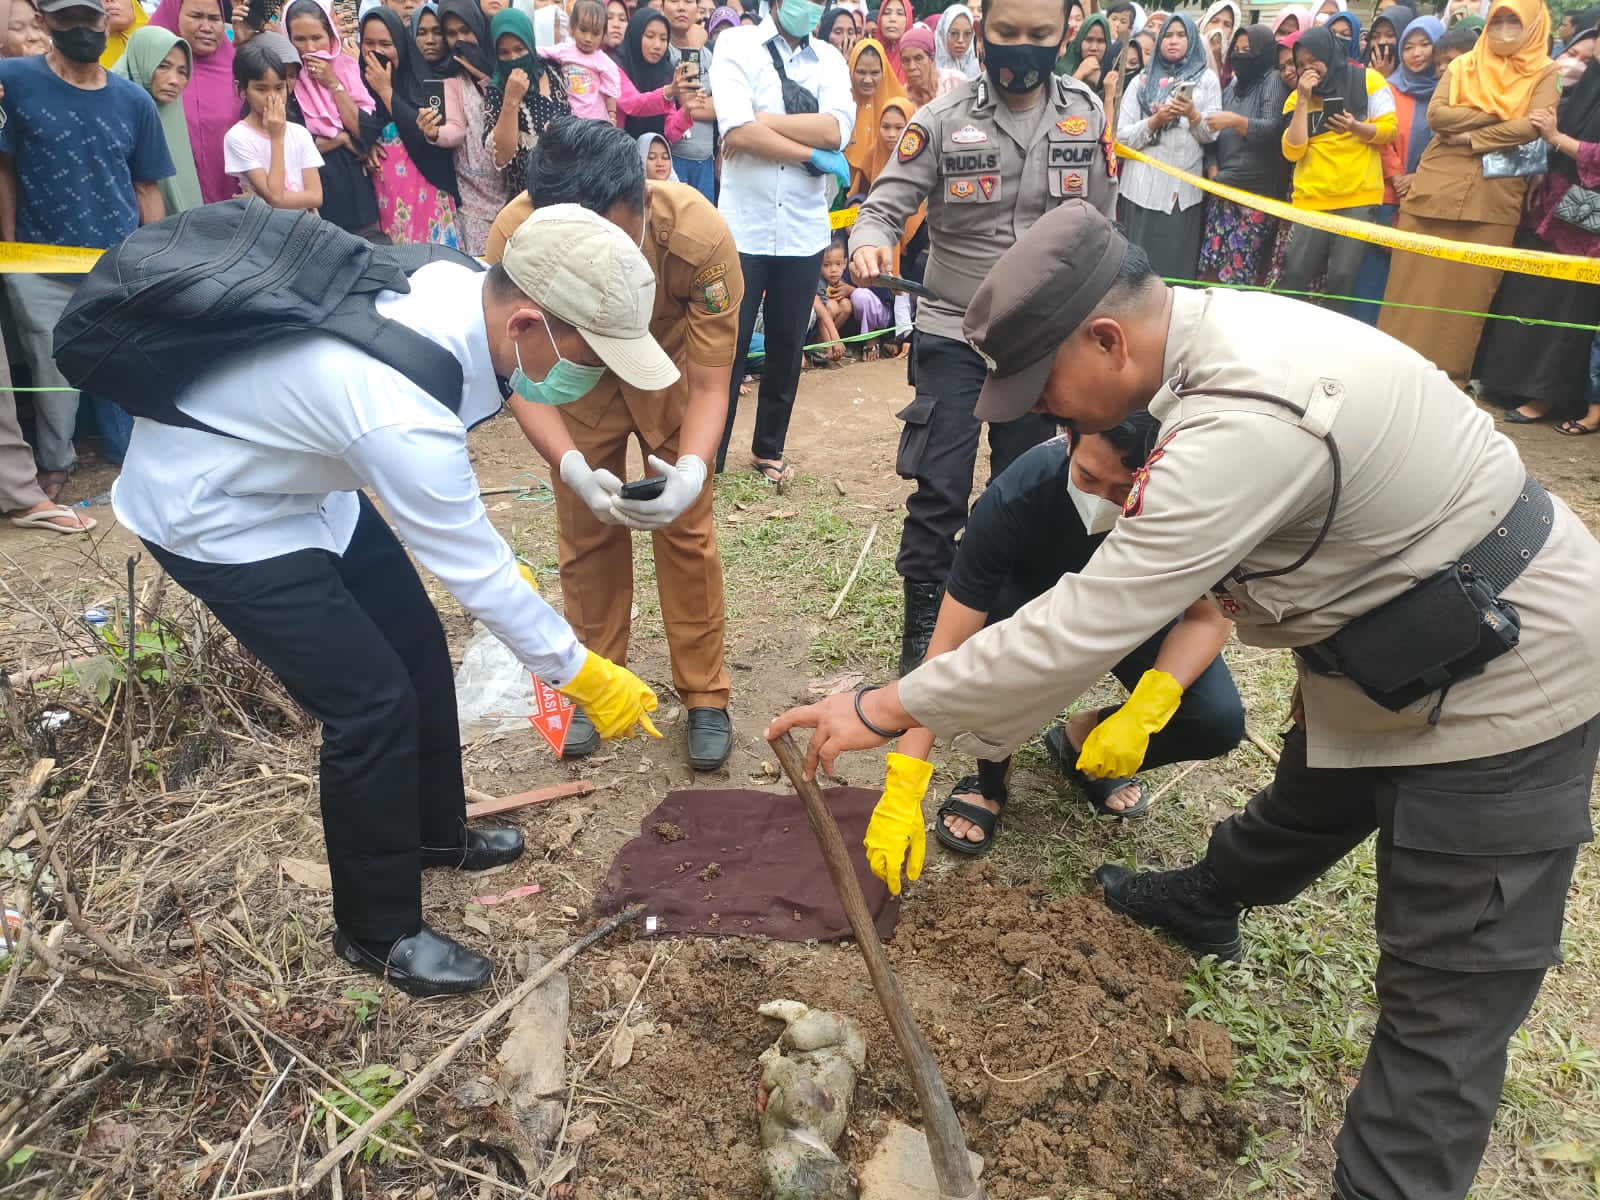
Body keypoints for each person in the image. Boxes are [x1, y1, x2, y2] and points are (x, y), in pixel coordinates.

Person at [768, 197, 1600, 1200]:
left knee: (1441, 1017)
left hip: (1503, 678)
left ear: (1108, 339)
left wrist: (879, 709)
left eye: (1052, 393)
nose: (1056, 420)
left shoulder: (1240, 418)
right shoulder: (1201, 343)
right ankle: (1208, 900)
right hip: (1385, 644)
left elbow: (1088, 621)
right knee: (1311, 800)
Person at [112, 205, 668, 997]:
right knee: (369, 705)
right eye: (593, 353)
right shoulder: (399, 409)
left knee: (413, 644)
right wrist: (584, 672)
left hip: (307, 478)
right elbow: (475, 571)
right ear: (529, 322)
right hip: (217, 510)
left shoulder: (452, 284)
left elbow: (491, 423)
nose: (599, 375)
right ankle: (377, 931)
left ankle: (431, 835)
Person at [848, 0, 1117, 674]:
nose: (1021, 48)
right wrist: (872, 244)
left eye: (1038, 36)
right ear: (980, 35)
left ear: (1063, 38)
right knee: (940, 485)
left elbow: (1104, 227)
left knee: (1022, 487)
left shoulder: (1086, 115)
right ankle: (922, 628)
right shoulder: (940, 120)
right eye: (1005, 34)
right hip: (952, 327)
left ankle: (1003, 622)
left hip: (1043, 340)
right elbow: (882, 208)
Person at [484, 118, 742, 771]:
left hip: (665, 372)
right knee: (587, 527)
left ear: (646, 201)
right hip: (578, 380)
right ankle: (593, 683)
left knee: (684, 526)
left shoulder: (699, 237)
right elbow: (510, 369)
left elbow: (712, 382)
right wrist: (569, 465)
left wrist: (689, 469)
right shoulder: (514, 240)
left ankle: (706, 694)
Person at [889, 420, 1243, 858]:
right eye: (1089, 477)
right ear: (1068, 438)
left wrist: (1145, 711)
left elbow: (1207, 619)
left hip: (1131, 610)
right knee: (984, 664)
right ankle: (991, 784)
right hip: (1028, 608)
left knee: (1216, 721)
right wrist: (903, 784)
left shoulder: (1190, 500)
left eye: (1125, 487)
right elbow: (945, 652)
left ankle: (1081, 739)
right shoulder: (1015, 496)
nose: (1101, 499)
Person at [0, 0, 172, 492]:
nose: (80, 30)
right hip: (35, 262)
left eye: (89, 19)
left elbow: (146, 188)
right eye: (66, 20)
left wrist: (150, 262)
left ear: (106, 21)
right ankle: (56, 464)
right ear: (44, 24)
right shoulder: (13, 82)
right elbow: (5, 168)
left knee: (127, 361)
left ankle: (147, 457)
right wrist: (11, 251)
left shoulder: (133, 101)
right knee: (50, 374)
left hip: (115, 264)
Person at [710, 0, 853, 486]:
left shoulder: (830, 60)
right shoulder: (736, 44)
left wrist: (761, 119)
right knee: (727, 346)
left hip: (802, 227)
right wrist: (812, 151)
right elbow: (736, 131)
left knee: (788, 345)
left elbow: (837, 129)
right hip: (742, 228)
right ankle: (710, 455)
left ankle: (767, 449)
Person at [1378, 0, 1555, 387]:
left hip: (1491, 202)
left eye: (1515, 20)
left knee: (1462, 307)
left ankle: (1446, 390)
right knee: (1407, 294)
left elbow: (1533, 128)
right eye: (1500, 20)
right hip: (1431, 192)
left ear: (1536, 25)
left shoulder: (1546, 71)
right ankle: (1388, 379)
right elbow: (1438, 116)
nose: (1505, 28)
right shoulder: (1462, 65)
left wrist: (1472, 136)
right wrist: (1502, 114)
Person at [1478, 31, 1600, 433]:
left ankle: (1546, 394)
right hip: (1548, 210)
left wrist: (1557, 138)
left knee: (1563, 312)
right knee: (1528, 297)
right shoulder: (1582, 89)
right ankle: (1511, 383)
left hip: (1587, 226)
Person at [1277, 25, 1395, 316]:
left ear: (1329, 53)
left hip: (1358, 197)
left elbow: (1389, 130)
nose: (1308, 68)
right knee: (1293, 274)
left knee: (1342, 279)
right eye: (1300, 64)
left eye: (1313, 59)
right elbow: (1292, 150)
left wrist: (1356, 127)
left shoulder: (1369, 80)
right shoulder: (1295, 99)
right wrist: (1304, 99)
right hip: (1312, 201)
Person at [1348, 12, 1441, 323]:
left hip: (1428, 200)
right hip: (1386, 196)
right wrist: (1398, 175)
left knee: (1411, 288)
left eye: (1425, 45)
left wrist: (1420, 178)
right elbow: (1378, 136)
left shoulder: (1449, 95)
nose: (1416, 53)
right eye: (1408, 46)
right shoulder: (1387, 88)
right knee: (1370, 282)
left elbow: (1449, 145)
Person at [1117, 13, 1219, 282]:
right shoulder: (1142, 80)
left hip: (1182, 195)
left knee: (1174, 274)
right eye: (1168, 35)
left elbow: (1212, 134)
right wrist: (1155, 120)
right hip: (1141, 190)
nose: (1173, 41)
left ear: (1193, 39)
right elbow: (1120, 139)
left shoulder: (1206, 80)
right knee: (1136, 274)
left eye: (1181, 35)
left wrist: (1193, 114)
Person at [361, 7, 464, 244]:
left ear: (401, 44)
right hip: (385, 205)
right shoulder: (357, 86)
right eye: (369, 43)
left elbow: (429, 141)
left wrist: (385, 91)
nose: (377, 51)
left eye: (386, 43)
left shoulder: (427, 83)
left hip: (428, 198)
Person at [1197, 23, 1287, 286]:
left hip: (1252, 198)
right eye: (1236, 49)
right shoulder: (1230, 87)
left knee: (1239, 281)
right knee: (1210, 272)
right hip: (1221, 191)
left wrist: (1236, 121)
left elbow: (1271, 129)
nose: (1239, 55)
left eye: (1248, 49)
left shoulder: (1272, 80)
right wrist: (1213, 172)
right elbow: (1211, 137)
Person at [285, 0, 381, 235]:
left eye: (317, 37)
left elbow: (364, 130)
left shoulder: (347, 68)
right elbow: (294, 144)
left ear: (331, 35)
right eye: (299, 39)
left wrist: (332, 83)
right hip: (314, 195)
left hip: (357, 194)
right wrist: (342, 140)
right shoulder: (285, 80)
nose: (309, 47)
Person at [431, 0, 506, 252]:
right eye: (451, 34)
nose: (459, 40)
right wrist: (434, 132)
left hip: (510, 189)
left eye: (465, 30)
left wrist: (484, 78)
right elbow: (455, 130)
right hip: (473, 201)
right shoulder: (448, 79)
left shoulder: (501, 64)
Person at [111, 23, 205, 216]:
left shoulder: (170, 108)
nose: (174, 80)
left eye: (182, 71)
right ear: (140, 61)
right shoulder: (111, 105)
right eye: (163, 66)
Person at [149, 0, 235, 204]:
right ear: (173, 15)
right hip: (171, 207)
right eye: (196, 16)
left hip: (234, 204)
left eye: (214, 18)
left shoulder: (238, 68)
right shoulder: (147, 68)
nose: (206, 27)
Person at [224, 38, 325, 207]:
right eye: (261, 89)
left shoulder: (299, 133)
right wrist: (276, 137)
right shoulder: (238, 137)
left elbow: (316, 197)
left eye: (279, 88)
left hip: (303, 225)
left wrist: (260, 200)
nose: (273, 97)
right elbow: (276, 197)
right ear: (241, 91)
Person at [484, 7, 568, 195]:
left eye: (519, 49)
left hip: (568, 189)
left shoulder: (553, 71)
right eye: (504, 52)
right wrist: (511, 101)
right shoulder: (496, 90)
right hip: (528, 198)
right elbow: (501, 157)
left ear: (530, 44)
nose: (513, 58)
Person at [661, 0, 717, 199]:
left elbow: (724, 105)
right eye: (674, 1)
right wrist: (692, 49)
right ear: (662, 7)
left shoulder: (709, 55)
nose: (681, 7)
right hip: (673, 158)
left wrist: (697, 105)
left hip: (705, 159)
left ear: (697, 10)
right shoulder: (661, 51)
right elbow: (688, 101)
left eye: (688, 1)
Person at [616, 4, 694, 144]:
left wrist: (686, 109)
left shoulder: (666, 71)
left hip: (654, 159)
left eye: (663, 39)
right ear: (636, 35)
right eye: (650, 36)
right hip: (621, 156)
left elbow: (670, 134)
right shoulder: (616, 65)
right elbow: (634, 104)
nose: (657, 45)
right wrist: (667, 92)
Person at [543, 0, 622, 122]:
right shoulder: (564, 51)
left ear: (603, 34)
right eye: (583, 30)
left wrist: (612, 116)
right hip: (569, 119)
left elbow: (609, 92)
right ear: (573, 27)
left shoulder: (604, 62)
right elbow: (540, 52)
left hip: (596, 121)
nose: (588, 38)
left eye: (595, 33)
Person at [842, 36, 903, 195]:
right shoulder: (839, 104)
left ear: (885, 71)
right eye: (861, 72)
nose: (867, 80)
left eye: (875, 73)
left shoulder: (901, 105)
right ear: (850, 70)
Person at [1057, 11, 1118, 107]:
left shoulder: (1112, 70)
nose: (1094, 47)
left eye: (1101, 41)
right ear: (1080, 40)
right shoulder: (1062, 66)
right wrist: (1080, 73)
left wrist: (1100, 83)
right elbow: (1057, 105)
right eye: (1089, 40)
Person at [898, 22, 960, 106]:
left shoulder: (954, 82)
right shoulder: (903, 99)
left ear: (932, 58)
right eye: (905, 60)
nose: (911, 67)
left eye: (918, 58)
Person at [1363, 3, 1410, 76]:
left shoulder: (1418, 81)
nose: (1381, 42)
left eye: (1390, 35)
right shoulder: (1359, 73)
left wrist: (1384, 78)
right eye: (1375, 36)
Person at [934, 2, 977, 79]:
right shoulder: (930, 68)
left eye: (967, 34)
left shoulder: (980, 69)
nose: (960, 40)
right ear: (943, 34)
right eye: (954, 33)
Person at [874, 0, 908, 79]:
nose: (892, 19)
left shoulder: (916, 58)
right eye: (886, 13)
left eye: (900, 13)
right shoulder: (871, 53)